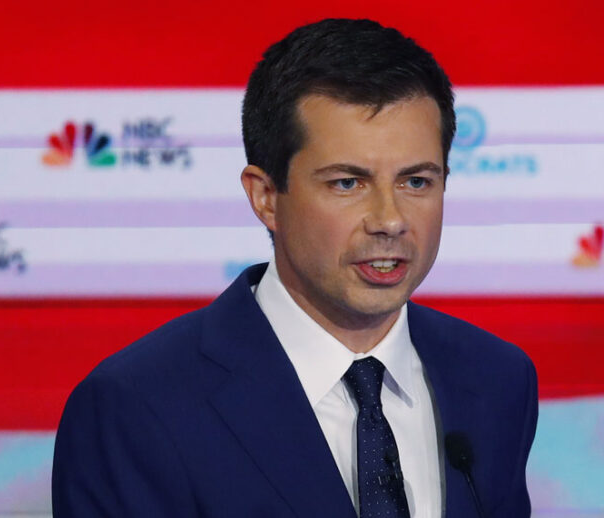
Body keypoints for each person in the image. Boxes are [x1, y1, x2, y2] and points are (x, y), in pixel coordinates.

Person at [52, 18, 538, 518]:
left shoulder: (498, 380)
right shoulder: (136, 408)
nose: (390, 220)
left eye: (416, 182)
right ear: (265, 197)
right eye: (348, 183)